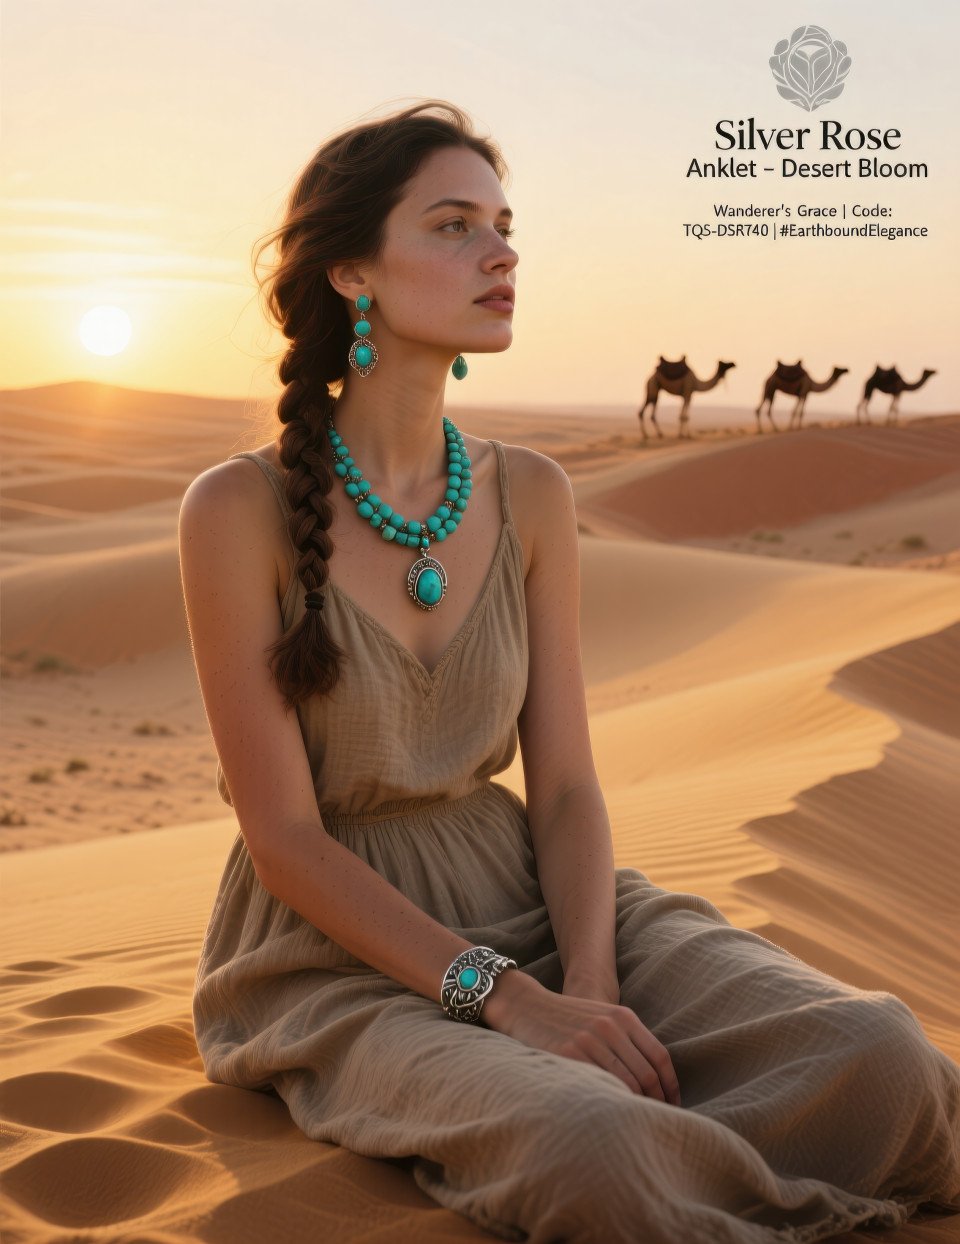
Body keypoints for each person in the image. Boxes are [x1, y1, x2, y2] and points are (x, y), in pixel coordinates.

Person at [178, 99, 960, 1243]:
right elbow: (284, 838)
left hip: (540, 890)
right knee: (592, 1145)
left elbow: (573, 785)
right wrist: (508, 1000)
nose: (500, 252)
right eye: (453, 226)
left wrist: (587, 979)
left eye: (503, 225)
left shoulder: (532, 490)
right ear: (352, 270)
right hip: (330, 944)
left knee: (884, 1058)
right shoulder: (235, 508)